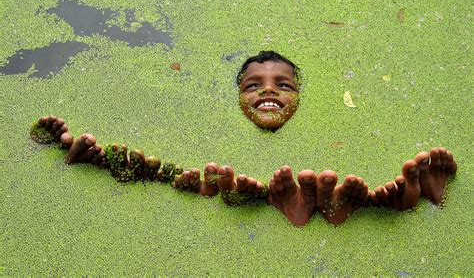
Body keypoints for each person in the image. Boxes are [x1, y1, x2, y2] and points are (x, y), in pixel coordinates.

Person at [31, 50, 457, 227]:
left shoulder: (337, 133)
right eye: (252, 86)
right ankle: (324, 202)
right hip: (222, 175)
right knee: (192, 176)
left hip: (289, 182)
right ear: (236, 98)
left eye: (283, 86)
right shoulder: (195, 130)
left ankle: (377, 200)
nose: (268, 91)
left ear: (302, 98)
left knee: (215, 181)